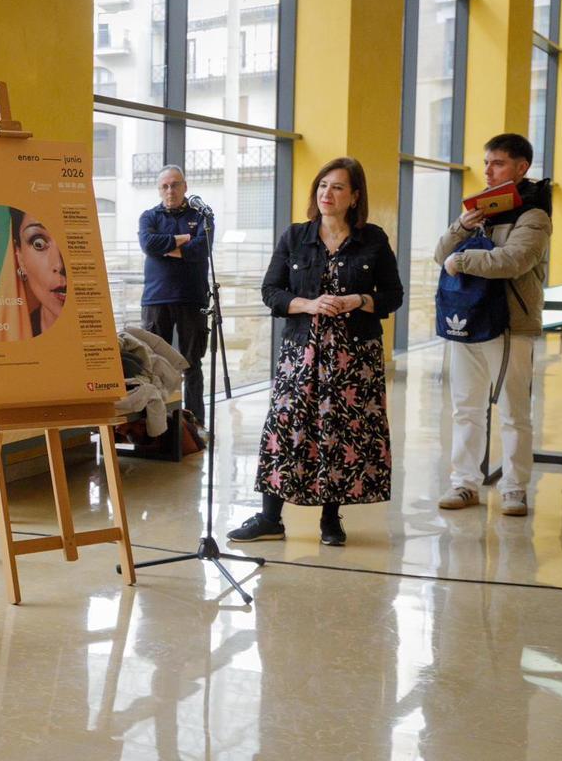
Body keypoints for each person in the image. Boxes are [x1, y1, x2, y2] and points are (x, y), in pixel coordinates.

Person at [227, 157, 403, 546]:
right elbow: (270, 291)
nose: (328, 193)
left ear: (355, 197)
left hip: (353, 357)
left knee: (341, 433)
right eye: (323, 185)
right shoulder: (295, 236)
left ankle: (330, 519)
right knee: (284, 428)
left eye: (338, 187)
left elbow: (394, 295)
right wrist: (308, 304)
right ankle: (271, 518)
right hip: (300, 352)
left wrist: (357, 299)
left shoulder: (372, 239)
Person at [435, 134, 551, 517]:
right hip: (467, 319)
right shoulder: (477, 214)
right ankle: (464, 483)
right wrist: (461, 229)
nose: (487, 171)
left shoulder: (533, 216)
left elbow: (513, 260)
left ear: (521, 168)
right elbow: (440, 255)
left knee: (513, 411)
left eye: (498, 163)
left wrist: (462, 261)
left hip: (511, 326)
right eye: (486, 162)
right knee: (465, 406)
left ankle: (515, 488)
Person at [138, 164, 210, 422]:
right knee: (155, 364)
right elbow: (148, 244)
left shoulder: (201, 216)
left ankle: (194, 422)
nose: (170, 190)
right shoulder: (149, 216)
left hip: (193, 298)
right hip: (156, 299)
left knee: (192, 364)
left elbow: (203, 248)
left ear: (185, 187)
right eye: (165, 186)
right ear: (159, 190)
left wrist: (166, 245)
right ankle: (158, 423)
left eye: (175, 184)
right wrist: (184, 239)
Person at [10, 208, 67, 337]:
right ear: (20, 259)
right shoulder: (13, 338)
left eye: (71, 242)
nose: (59, 265)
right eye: (39, 243)